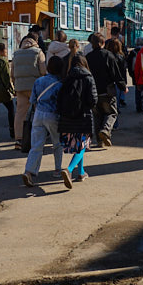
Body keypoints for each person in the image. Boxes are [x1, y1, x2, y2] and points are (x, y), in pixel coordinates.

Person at [21, 56, 65, 187]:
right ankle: (58, 169)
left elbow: (33, 100)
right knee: (57, 143)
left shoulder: (39, 81)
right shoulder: (60, 84)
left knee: (36, 146)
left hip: (38, 114)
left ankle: (29, 171)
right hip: (53, 115)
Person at [57, 53, 96, 187]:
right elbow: (93, 99)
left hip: (67, 119)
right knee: (83, 145)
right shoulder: (88, 77)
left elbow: (59, 99)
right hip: (83, 118)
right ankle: (69, 170)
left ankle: (81, 172)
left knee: (80, 145)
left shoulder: (67, 78)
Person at [85, 33, 125, 147]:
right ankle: (106, 130)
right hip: (107, 90)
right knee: (112, 113)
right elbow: (115, 73)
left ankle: (99, 141)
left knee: (97, 116)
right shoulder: (108, 55)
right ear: (103, 43)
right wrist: (122, 86)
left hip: (93, 91)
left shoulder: (88, 57)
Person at [11, 36, 46, 150]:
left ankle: (19, 139)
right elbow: (43, 71)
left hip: (20, 87)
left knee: (20, 113)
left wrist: (15, 84)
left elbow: (12, 73)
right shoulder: (38, 52)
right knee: (38, 112)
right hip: (35, 87)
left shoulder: (16, 54)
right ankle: (37, 138)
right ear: (35, 42)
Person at [107, 37, 129, 112]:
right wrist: (124, 83)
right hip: (118, 80)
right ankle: (117, 108)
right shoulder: (120, 57)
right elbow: (123, 71)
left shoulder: (107, 56)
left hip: (109, 80)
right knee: (117, 96)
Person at [126, 37, 143, 113]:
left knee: (137, 90)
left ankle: (138, 106)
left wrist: (131, 74)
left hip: (135, 73)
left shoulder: (132, 52)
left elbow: (129, 64)